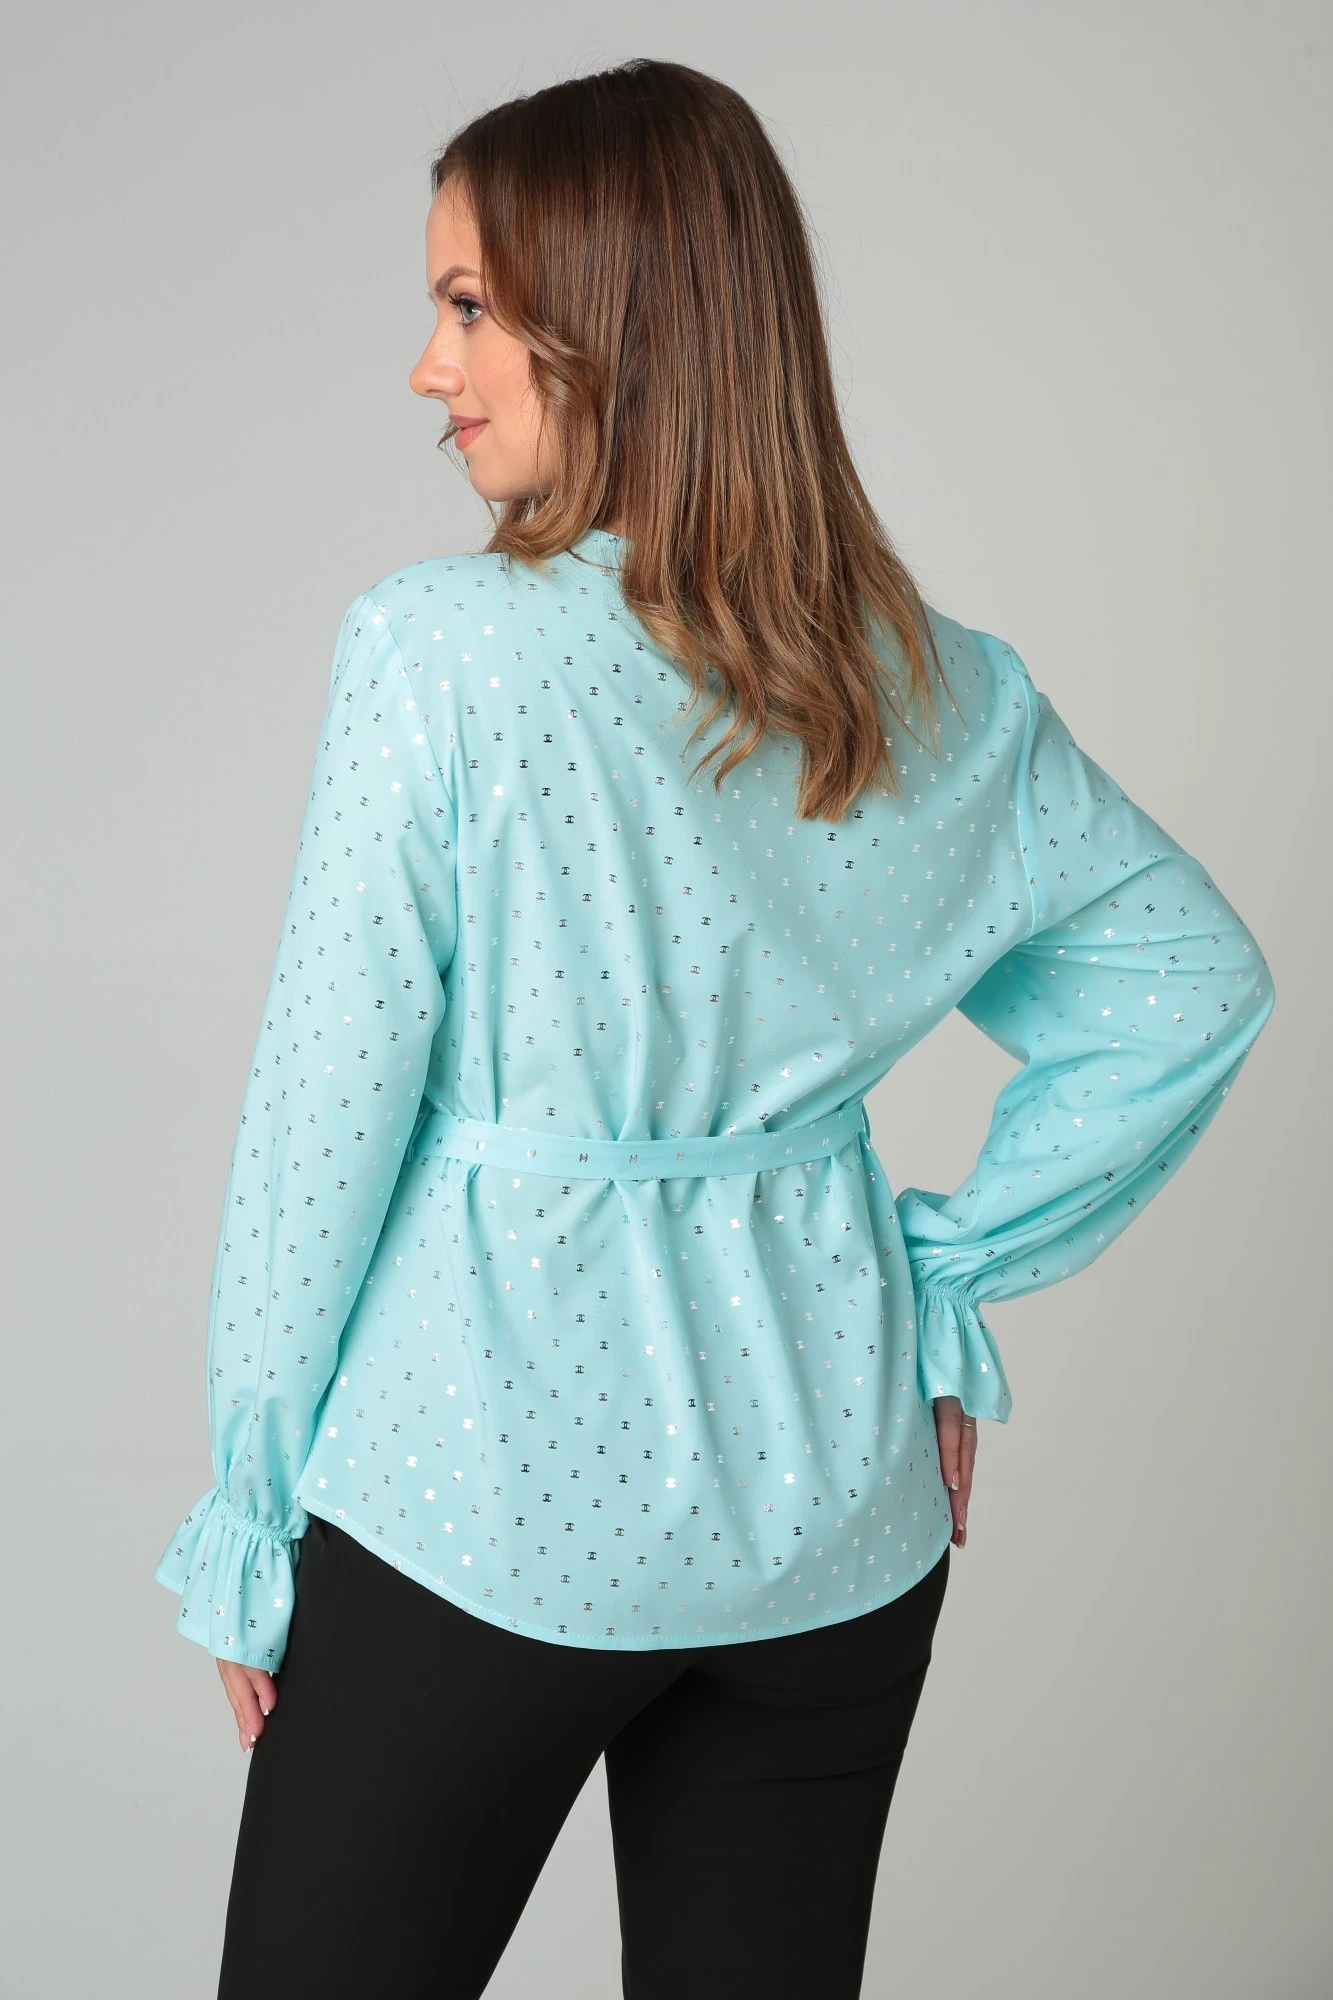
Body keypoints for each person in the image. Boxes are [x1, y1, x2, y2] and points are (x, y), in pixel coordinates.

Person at [153, 57, 1276, 2000]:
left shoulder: (443, 650)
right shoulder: (933, 686)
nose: (429, 368)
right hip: (833, 1518)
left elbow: (318, 1126)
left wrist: (252, 1509)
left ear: (615, 315)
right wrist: (943, 1272)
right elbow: (1190, 978)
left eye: (470, 306)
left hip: (482, 1507)